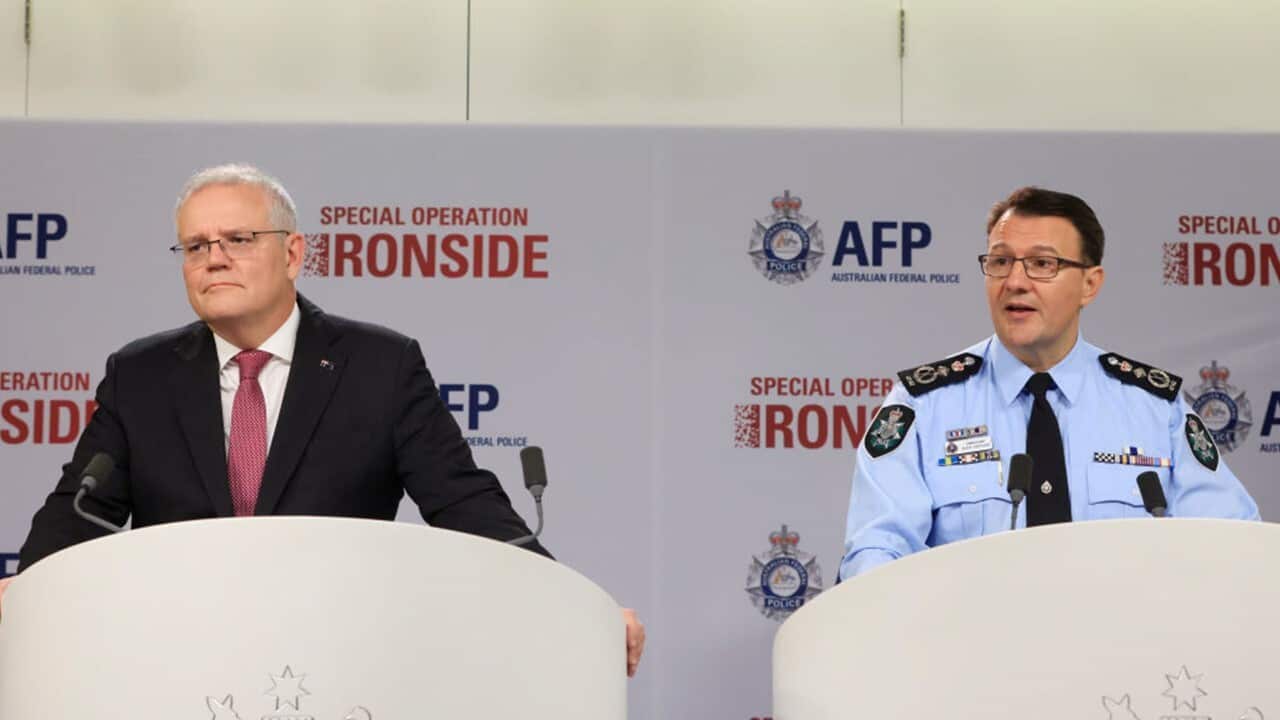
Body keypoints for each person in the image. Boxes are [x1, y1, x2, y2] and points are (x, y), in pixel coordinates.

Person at [0, 163, 644, 675]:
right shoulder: (140, 375)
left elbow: (465, 502)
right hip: (180, 658)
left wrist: (575, 609)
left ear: (293, 253)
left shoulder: (379, 366)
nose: (213, 258)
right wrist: (23, 593)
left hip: (340, 661)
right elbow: (78, 511)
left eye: (238, 239)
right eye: (195, 246)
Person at [838, 186, 1258, 581]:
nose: (1015, 282)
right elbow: (875, 555)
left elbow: (1232, 546)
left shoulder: (1155, 409)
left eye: (1042, 264)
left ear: (1090, 284)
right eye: (1000, 262)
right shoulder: (925, 405)